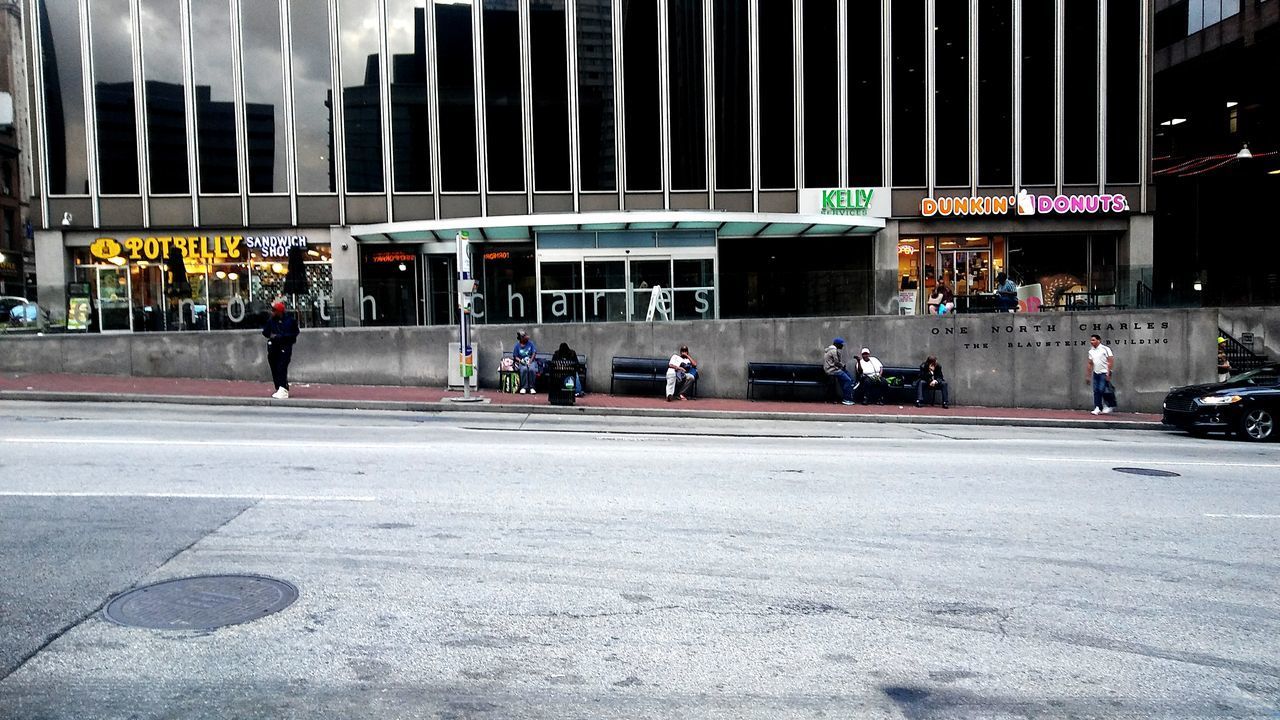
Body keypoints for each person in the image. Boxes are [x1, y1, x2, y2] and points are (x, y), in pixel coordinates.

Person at [262, 300, 299, 399]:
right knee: (274, 367)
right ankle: (279, 387)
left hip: (285, 346)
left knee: (281, 367)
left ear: (279, 311)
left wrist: (281, 336)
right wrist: (271, 335)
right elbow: (265, 332)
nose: (272, 312)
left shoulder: (289, 321)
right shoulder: (271, 321)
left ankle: (283, 387)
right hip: (274, 347)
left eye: (274, 310)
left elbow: (295, 332)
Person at [1085, 333, 1115, 414]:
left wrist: (1109, 372)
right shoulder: (1091, 351)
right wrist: (1088, 376)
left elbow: (1110, 360)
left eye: (1093, 340)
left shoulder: (1105, 349)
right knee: (1096, 390)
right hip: (1096, 373)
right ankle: (1097, 407)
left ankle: (1108, 405)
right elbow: (1090, 363)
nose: (1092, 342)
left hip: (1104, 372)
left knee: (1103, 390)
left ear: (1099, 340)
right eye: (1091, 340)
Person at [823, 338, 855, 406]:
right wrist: (842, 365)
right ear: (837, 344)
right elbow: (837, 362)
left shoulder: (829, 350)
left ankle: (850, 388)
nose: (842, 346)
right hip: (833, 370)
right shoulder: (834, 351)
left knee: (847, 377)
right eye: (841, 344)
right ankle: (847, 399)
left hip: (831, 369)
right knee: (848, 381)